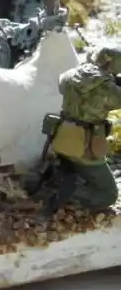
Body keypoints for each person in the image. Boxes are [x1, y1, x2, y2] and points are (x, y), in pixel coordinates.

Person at [41, 44, 121, 211]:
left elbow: (62, 84)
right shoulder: (108, 88)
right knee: (108, 194)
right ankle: (63, 189)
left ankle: (58, 175)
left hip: (61, 137)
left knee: (76, 166)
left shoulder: (71, 74)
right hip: (85, 147)